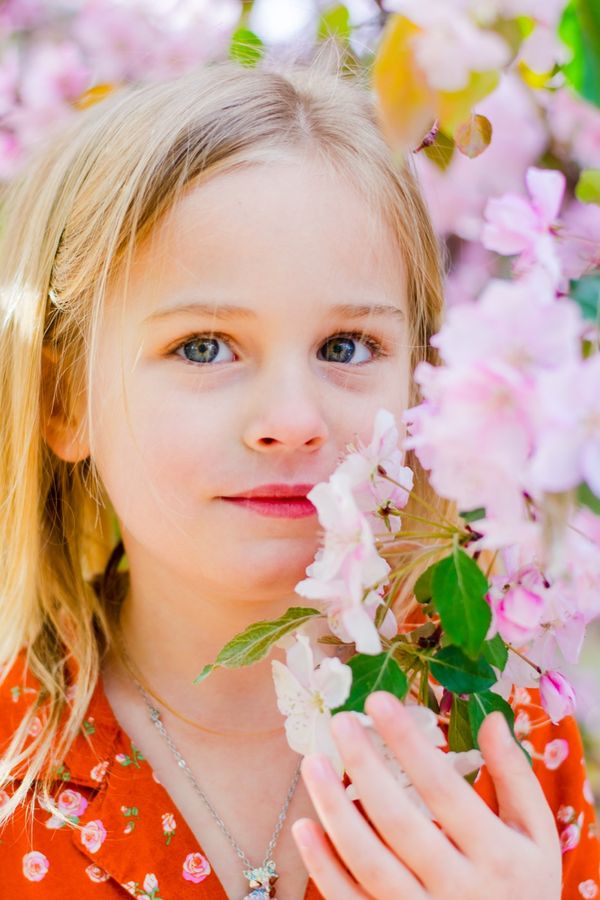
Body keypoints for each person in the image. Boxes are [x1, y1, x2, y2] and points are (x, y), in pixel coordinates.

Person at [0, 46, 598, 900]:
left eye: (346, 347)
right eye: (203, 347)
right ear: (65, 403)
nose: (292, 420)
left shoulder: (501, 733)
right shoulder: (14, 757)